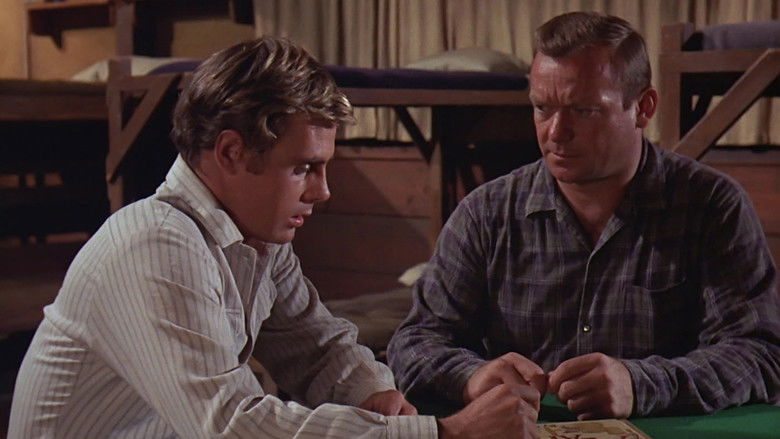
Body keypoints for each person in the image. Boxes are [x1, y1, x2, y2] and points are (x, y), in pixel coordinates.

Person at [9, 37, 540, 439]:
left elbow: (316, 347)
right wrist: (442, 433)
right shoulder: (156, 244)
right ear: (231, 152)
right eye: (304, 168)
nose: (323, 191)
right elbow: (231, 426)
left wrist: (372, 393)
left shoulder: (256, 239)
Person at [388, 11, 780, 420]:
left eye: (583, 110)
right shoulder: (486, 214)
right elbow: (415, 343)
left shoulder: (711, 205)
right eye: (542, 108)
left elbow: (759, 355)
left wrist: (640, 385)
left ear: (643, 108)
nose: (555, 132)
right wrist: (472, 376)